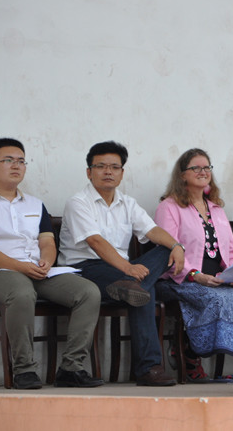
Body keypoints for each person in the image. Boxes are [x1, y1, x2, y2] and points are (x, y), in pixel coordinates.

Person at [58, 141, 185, 387]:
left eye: (115, 167)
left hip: (120, 272)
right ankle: (149, 369)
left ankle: (131, 285)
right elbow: (95, 242)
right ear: (89, 172)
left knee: (162, 252)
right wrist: (128, 269)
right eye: (101, 166)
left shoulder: (128, 203)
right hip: (85, 269)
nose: (108, 171)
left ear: (122, 173)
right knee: (143, 290)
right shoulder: (78, 202)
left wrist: (177, 246)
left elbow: (152, 230)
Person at [0, 138, 103, 389]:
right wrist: (21, 267)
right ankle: (24, 369)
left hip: (36, 270)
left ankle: (71, 368)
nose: (16, 166)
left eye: (21, 161)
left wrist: (46, 262)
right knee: (21, 291)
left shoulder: (35, 204)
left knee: (88, 292)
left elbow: (47, 242)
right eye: (8, 160)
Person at [154, 148, 233, 382]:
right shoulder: (169, 207)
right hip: (180, 279)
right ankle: (190, 353)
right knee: (214, 299)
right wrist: (195, 274)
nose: (203, 172)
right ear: (182, 174)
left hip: (217, 279)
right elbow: (166, 251)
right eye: (196, 168)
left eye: (206, 167)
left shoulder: (216, 208)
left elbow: (232, 250)